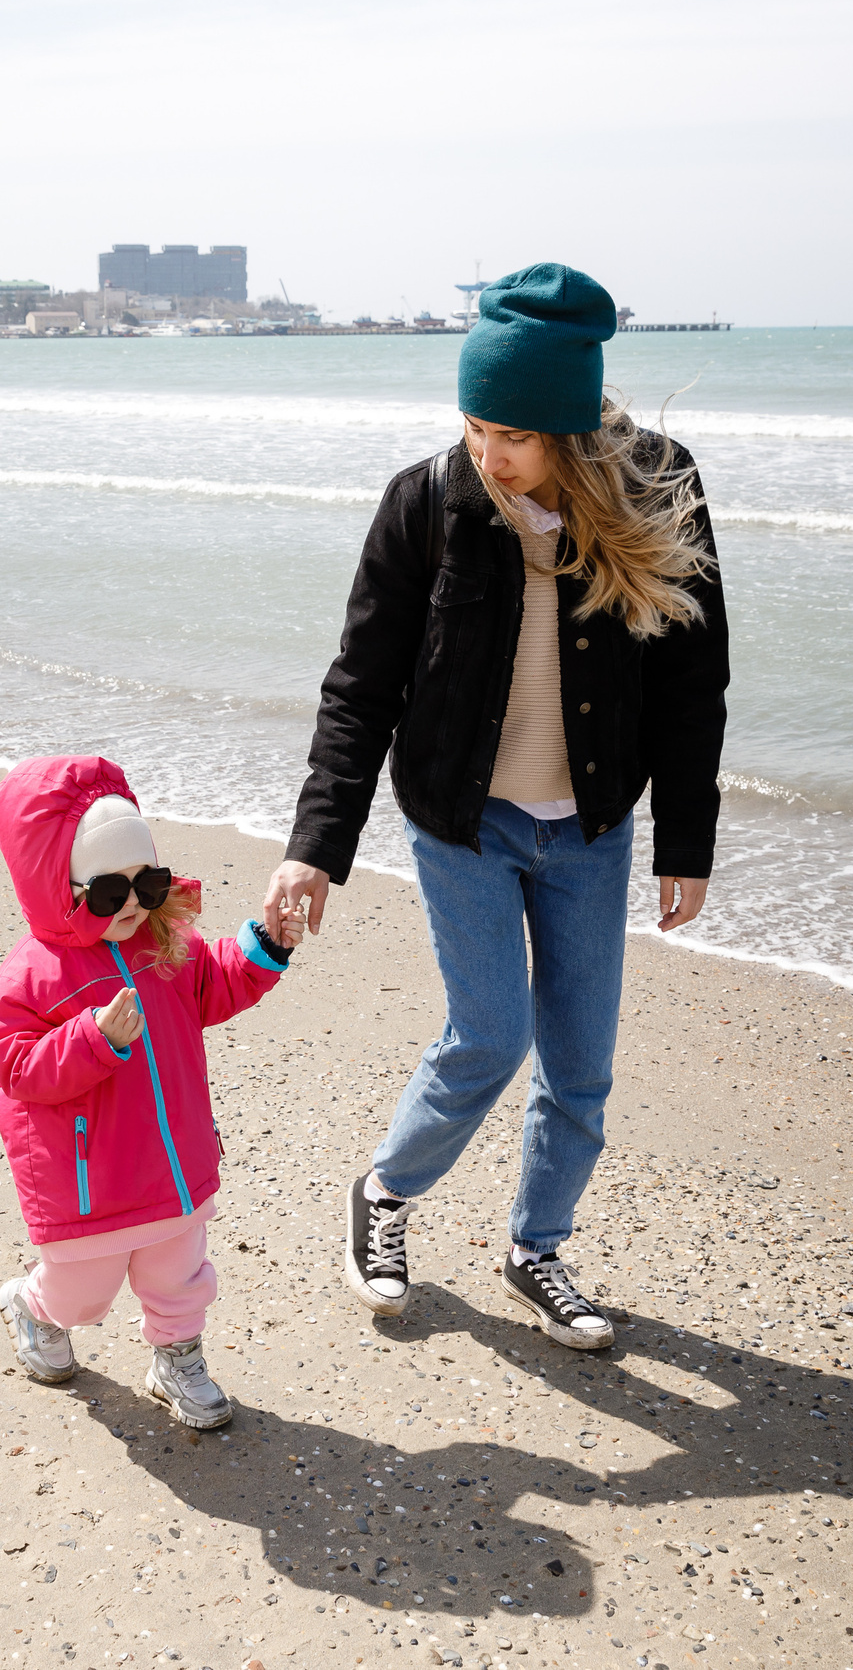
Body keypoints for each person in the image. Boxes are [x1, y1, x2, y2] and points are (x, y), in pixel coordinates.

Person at [264, 263, 729, 1351]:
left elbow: (692, 681)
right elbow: (360, 686)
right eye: (474, 424)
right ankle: (386, 1191)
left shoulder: (659, 486)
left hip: (591, 824)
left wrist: (687, 839)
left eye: (513, 434)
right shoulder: (425, 500)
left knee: (582, 1063)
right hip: (461, 820)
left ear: (571, 427)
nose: (488, 453)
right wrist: (314, 847)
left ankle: (537, 1249)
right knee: (489, 1034)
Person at [0, 754, 307, 1428]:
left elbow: (214, 983)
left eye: (148, 882)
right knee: (83, 1289)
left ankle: (178, 1356)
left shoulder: (165, 941)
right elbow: (15, 1065)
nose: (133, 903)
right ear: (60, 885)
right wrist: (92, 1039)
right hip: (91, 1180)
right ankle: (36, 1309)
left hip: (172, 1165)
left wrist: (264, 946)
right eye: (108, 892)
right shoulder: (34, 975)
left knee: (178, 1275)